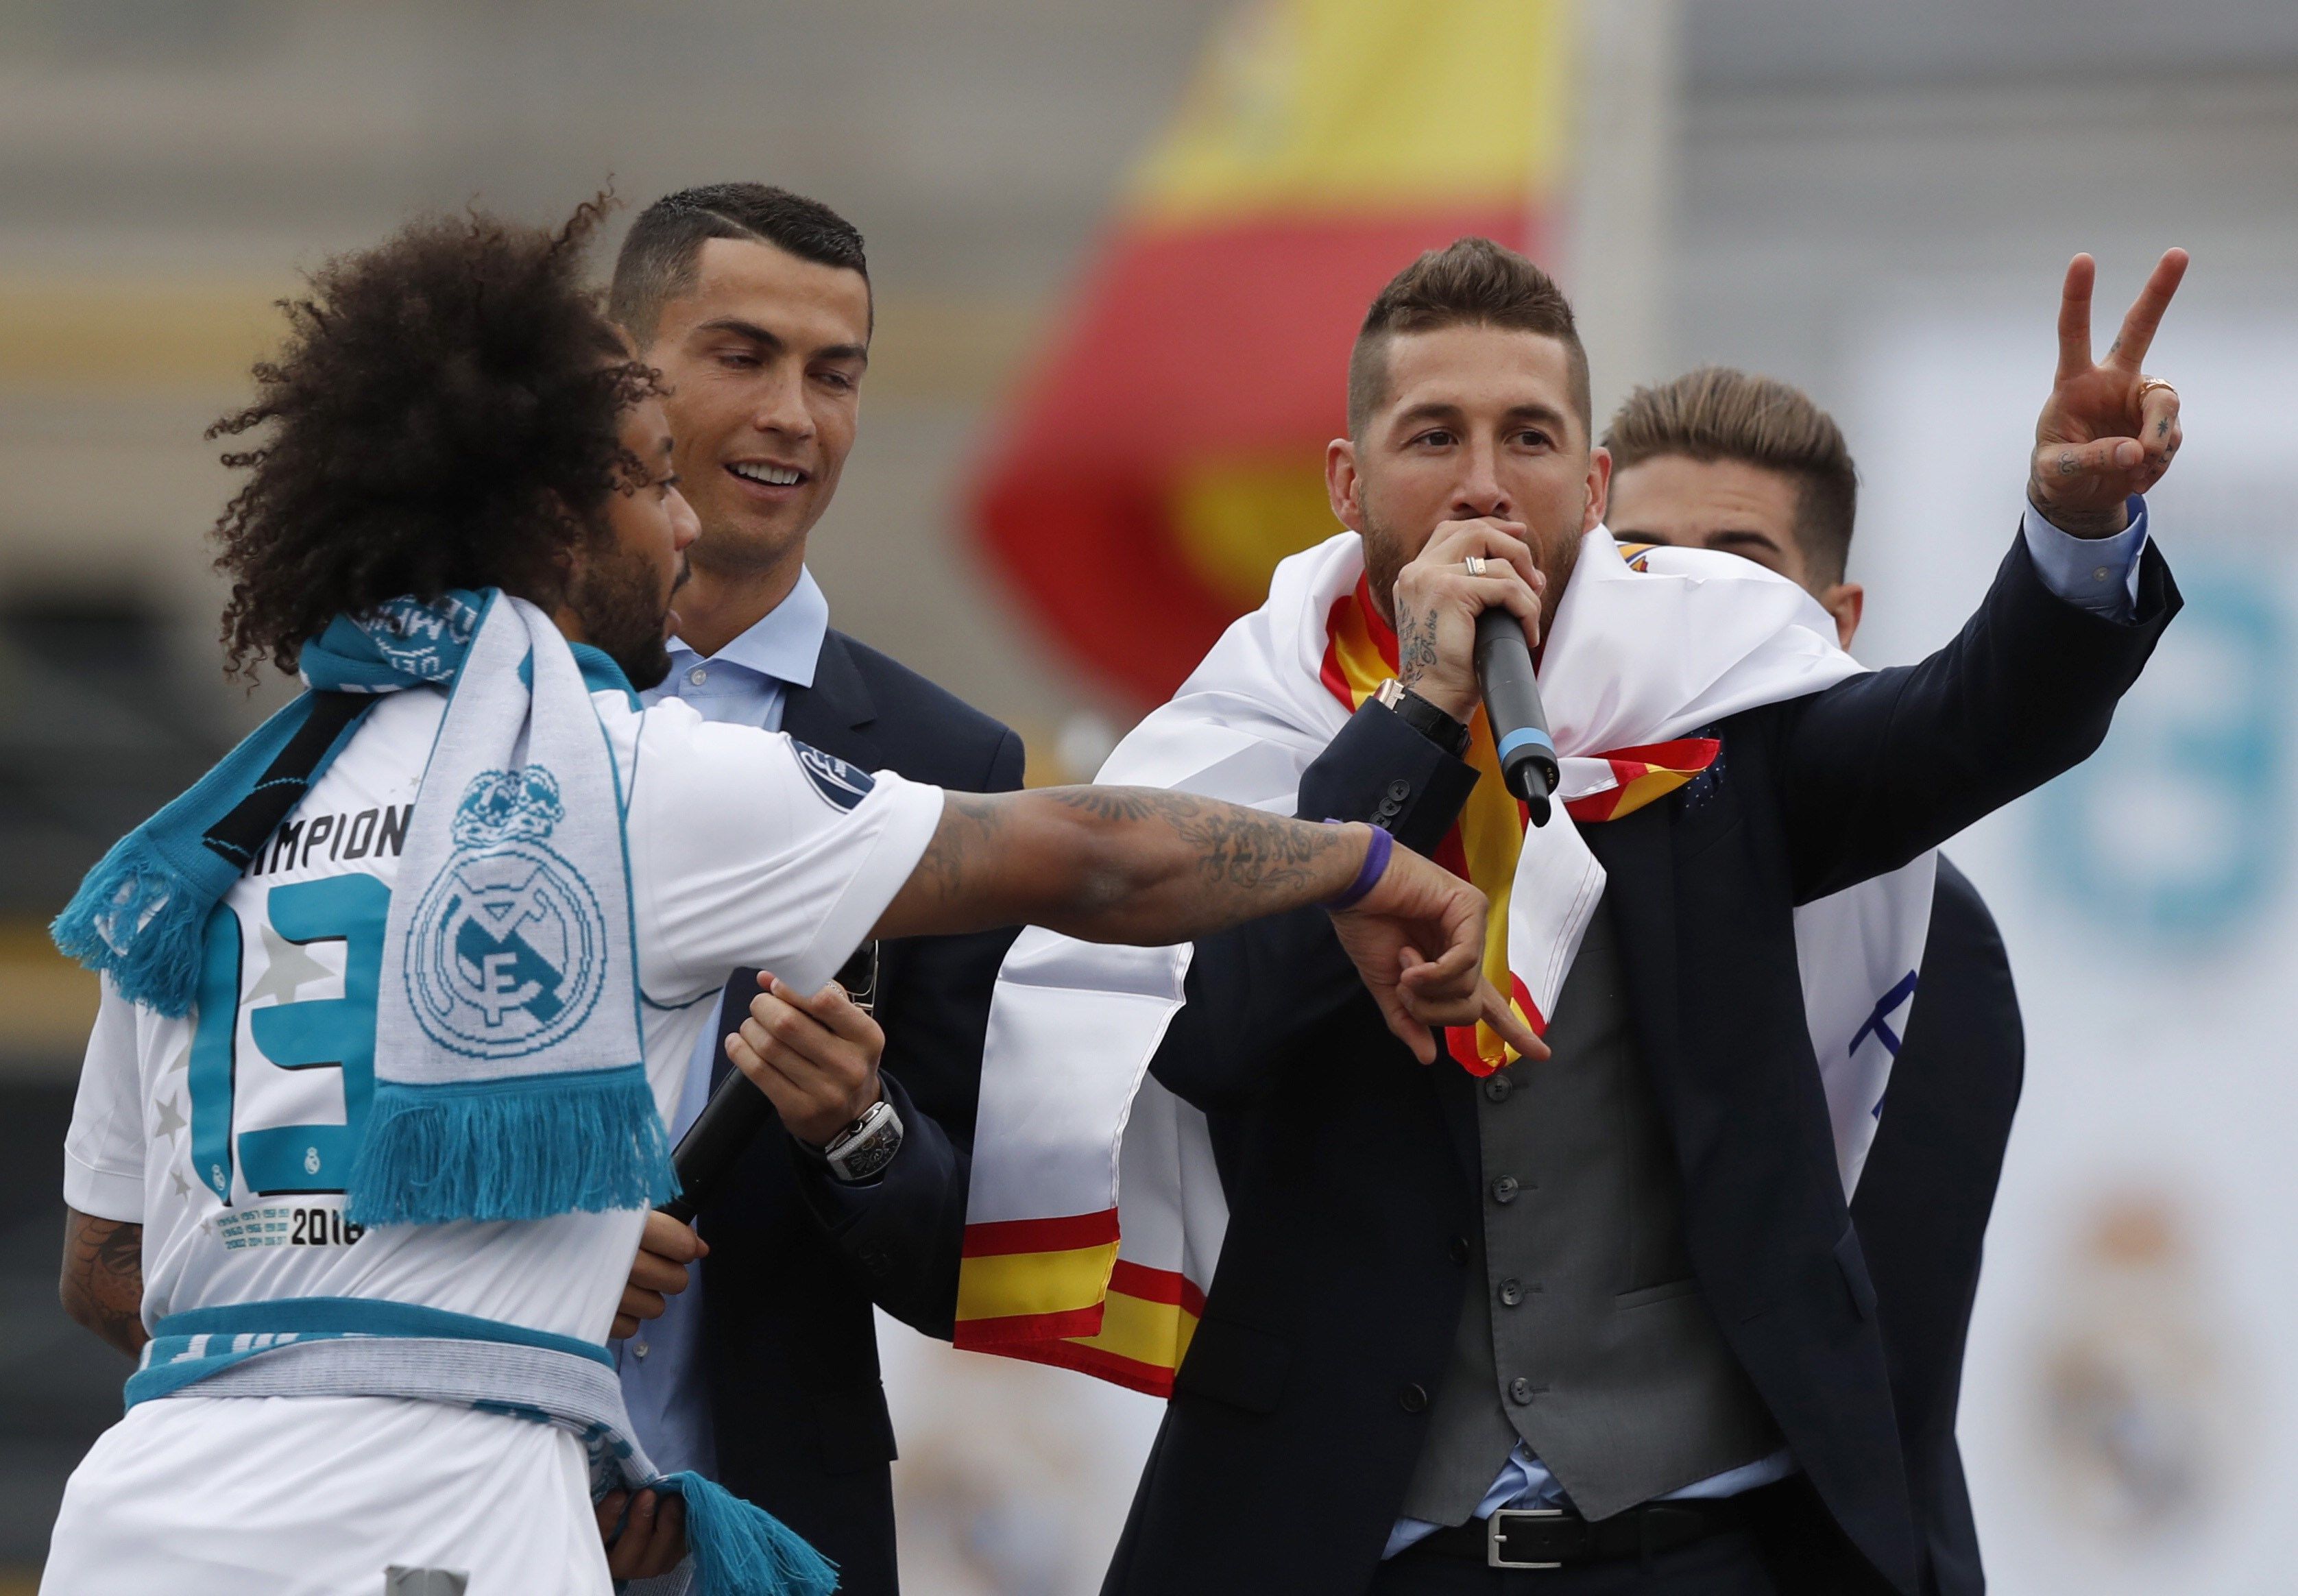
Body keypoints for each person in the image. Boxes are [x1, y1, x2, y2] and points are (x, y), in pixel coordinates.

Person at [43, 204, 1518, 1596]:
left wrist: (440, 1298)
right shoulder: (629, 776)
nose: (680, 525)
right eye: (647, 479)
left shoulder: (208, 832)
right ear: (554, 513)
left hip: (148, 1517)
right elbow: (1093, 855)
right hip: (434, 1521)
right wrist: (1365, 861)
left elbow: (108, 1267)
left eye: (836, 372)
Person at [1013, 235, 2184, 1595]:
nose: (1482, 482)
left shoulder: (1714, 705)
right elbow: (1214, 1033)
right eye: (1432, 435)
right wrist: (1415, 719)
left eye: (1527, 436)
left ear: (1590, 484)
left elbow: (1969, 726)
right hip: (1371, 1553)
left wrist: (2073, 534)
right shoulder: (1244, 735)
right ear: (1345, 481)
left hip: (1706, 1548)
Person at [591, 182, 1025, 1591]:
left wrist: (857, 1128)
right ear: (620, 370)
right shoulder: (455, 708)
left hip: (766, 1532)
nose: (793, 415)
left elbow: (974, 1263)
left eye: (834, 375)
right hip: (449, 1497)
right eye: (742, 356)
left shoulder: (950, 766)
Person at [1603, 368, 2022, 1596]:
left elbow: (1884, 1372)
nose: (1683, 598)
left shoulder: (1929, 934)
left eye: (1738, 562)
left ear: (1837, 619)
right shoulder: (1473, 863)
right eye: (1638, 558)